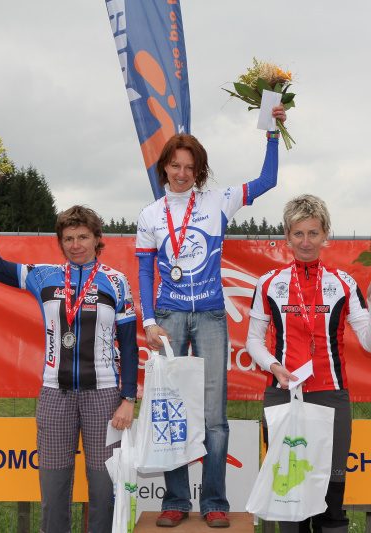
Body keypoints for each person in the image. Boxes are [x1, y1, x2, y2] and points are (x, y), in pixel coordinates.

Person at [135, 105, 287, 528]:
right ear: (164, 168)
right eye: (175, 165)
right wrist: (149, 321)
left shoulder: (218, 201)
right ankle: (176, 501)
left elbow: (268, 180)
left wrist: (272, 132)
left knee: (214, 416)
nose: (182, 173)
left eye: (190, 167)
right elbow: (145, 271)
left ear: (199, 171)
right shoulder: (150, 215)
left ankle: (215, 501)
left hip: (210, 317)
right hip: (168, 317)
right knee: (170, 410)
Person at [0, 182, 138, 533]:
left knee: (105, 489)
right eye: (68, 238)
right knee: (54, 491)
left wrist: (128, 398)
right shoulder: (44, 276)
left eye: (83, 237)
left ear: (97, 239)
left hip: (104, 397)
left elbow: (129, 345)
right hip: (55, 395)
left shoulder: (116, 282)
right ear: (60, 242)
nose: (76, 245)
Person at [245, 194, 371, 533]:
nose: (306, 242)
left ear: (326, 234)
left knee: (331, 502)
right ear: (287, 236)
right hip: (283, 395)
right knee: (289, 500)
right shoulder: (269, 283)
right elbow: (253, 340)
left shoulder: (343, 283)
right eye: (298, 233)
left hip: (331, 398)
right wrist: (273, 367)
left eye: (313, 233)